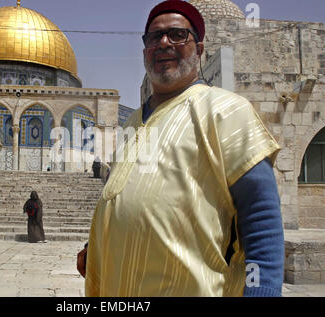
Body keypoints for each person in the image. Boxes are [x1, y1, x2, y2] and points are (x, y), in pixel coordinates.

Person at [78, 1, 284, 297]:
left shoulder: (227, 112)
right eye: (154, 37)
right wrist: (96, 247)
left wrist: (261, 291)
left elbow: (261, 220)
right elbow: (124, 198)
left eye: (177, 35)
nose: (164, 43)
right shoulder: (133, 122)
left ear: (199, 49)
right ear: (145, 50)